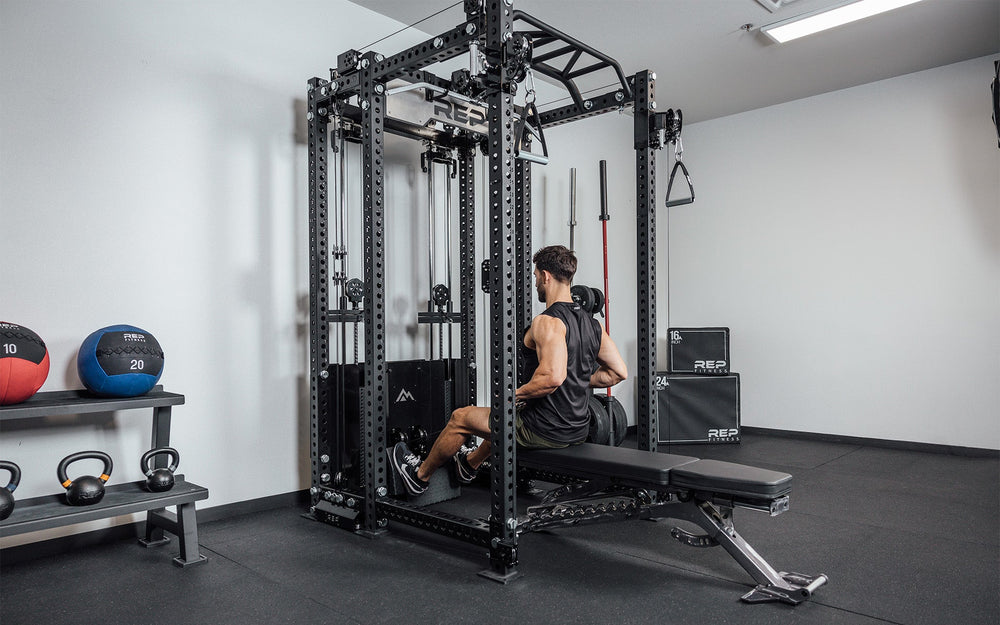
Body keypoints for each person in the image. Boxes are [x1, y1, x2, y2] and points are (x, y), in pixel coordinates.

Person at [389, 245, 628, 496]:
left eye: (536, 275)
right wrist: (577, 379)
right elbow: (617, 372)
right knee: (505, 417)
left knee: (461, 418)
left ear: (546, 276)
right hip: (577, 429)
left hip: (544, 430)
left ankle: (419, 477)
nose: (535, 281)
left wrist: (517, 394)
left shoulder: (547, 322)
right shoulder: (593, 325)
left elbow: (552, 377)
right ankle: (469, 464)